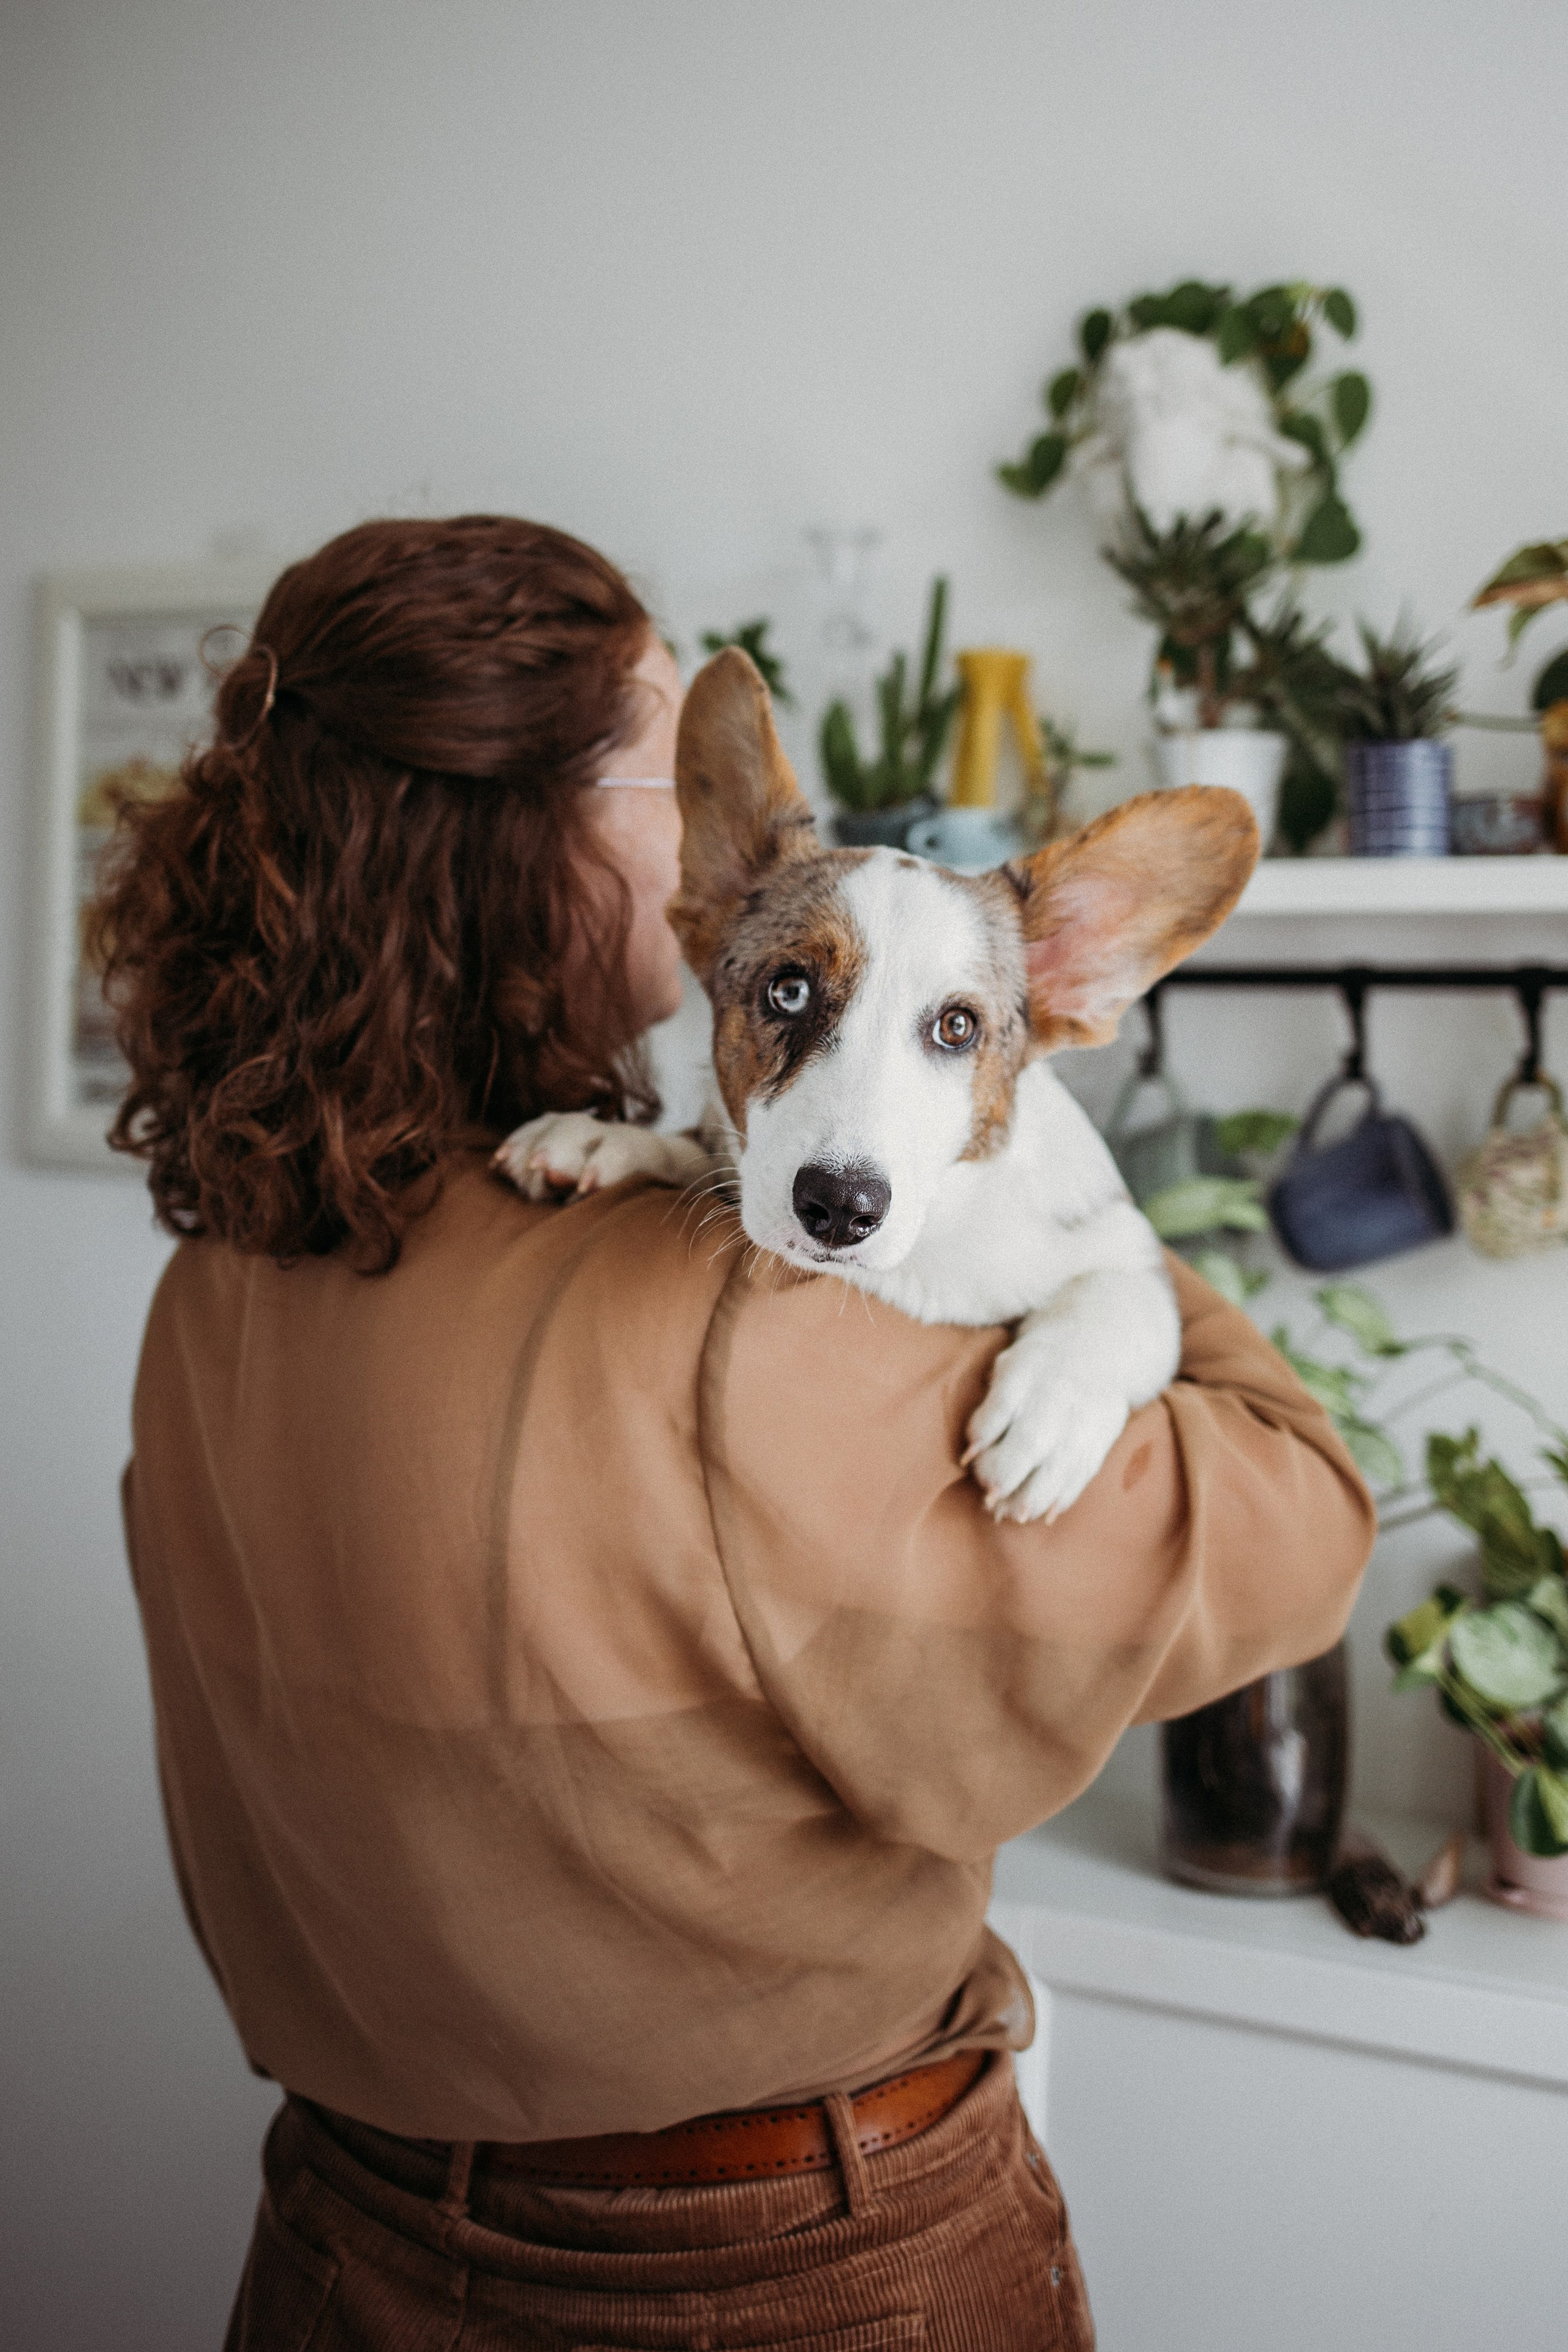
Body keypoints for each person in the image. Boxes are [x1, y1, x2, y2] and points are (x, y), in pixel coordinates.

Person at [97, 514, 1374, 2352]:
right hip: (779, 2273)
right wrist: (1113, 1249)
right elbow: (1306, 1524)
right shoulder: (736, 1319)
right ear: (533, 833)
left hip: (339, 2248)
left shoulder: (212, 1283)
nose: (718, 822)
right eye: (663, 766)